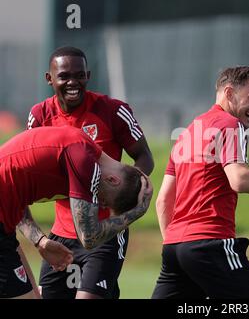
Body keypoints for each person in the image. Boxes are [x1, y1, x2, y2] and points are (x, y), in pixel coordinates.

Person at [151, 66, 249, 299]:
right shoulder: (229, 123)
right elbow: (239, 179)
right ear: (229, 93)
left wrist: (177, 247)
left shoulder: (188, 132)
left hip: (174, 248)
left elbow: (164, 200)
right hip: (208, 243)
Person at [23, 46, 154, 299]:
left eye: (79, 75)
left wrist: (126, 196)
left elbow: (144, 156)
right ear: (49, 79)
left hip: (104, 230)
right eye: (64, 76)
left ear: (88, 75)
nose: (73, 83)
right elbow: (29, 169)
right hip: (61, 235)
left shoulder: (113, 110)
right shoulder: (40, 116)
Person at [0, 126, 152, 299]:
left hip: (5, 229)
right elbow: (89, 237)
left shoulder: (83, 149)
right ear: (113, 180)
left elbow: (15, 195)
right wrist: (136, 212)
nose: (99, 204)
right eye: (104, 202)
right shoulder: (84, 160)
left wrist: (40, 241)